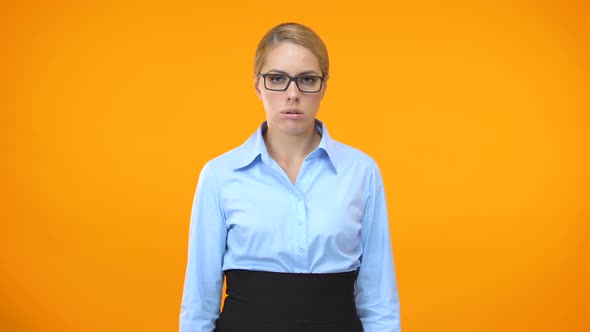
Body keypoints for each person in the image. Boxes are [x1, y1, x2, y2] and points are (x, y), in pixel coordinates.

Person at [179, 22, 401, 332]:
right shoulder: (219, 175)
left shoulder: (361, 171)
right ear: (257, 85)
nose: (292, 94)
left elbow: (378, 296)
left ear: (323, 86)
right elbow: (199, 300)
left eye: (307, 79)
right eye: (278, 79)